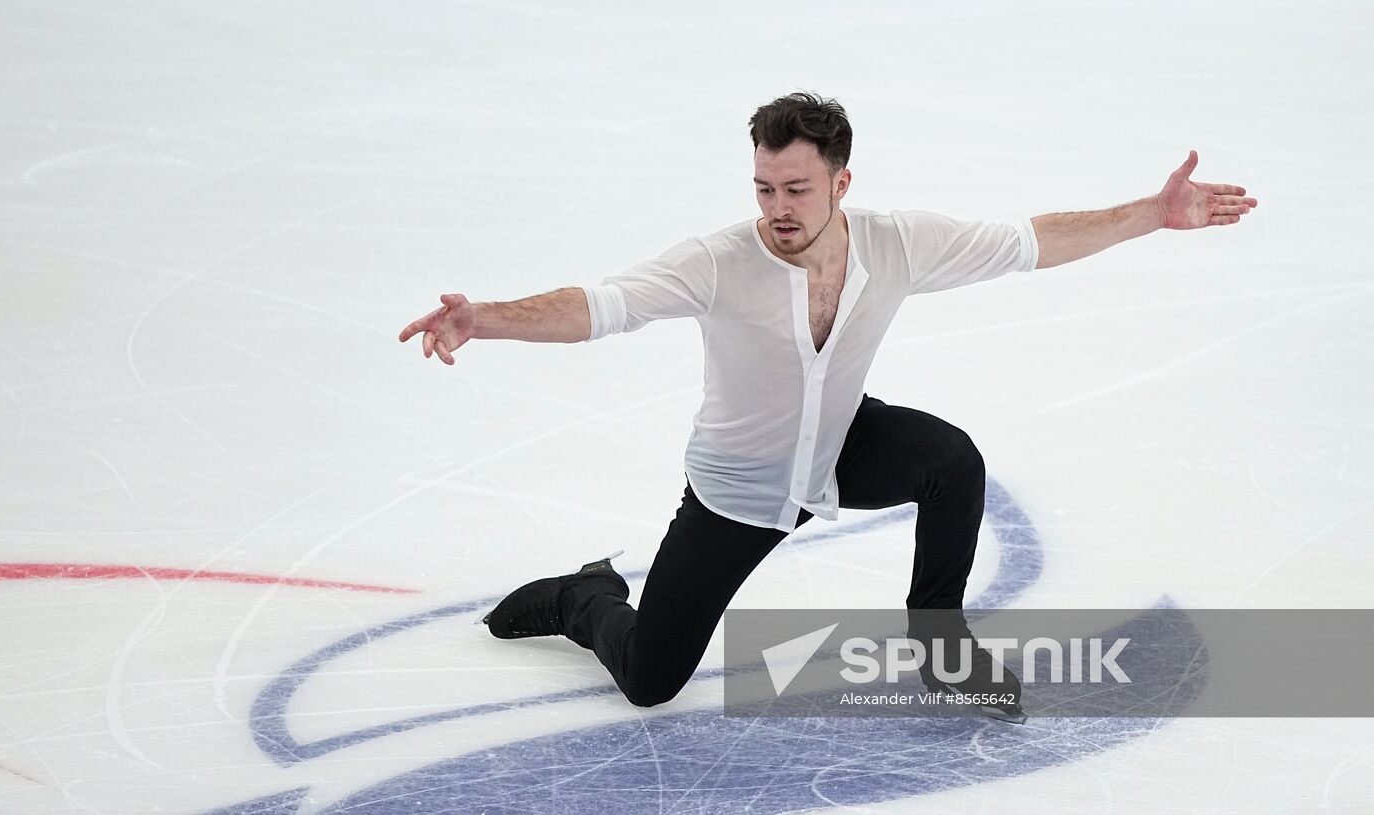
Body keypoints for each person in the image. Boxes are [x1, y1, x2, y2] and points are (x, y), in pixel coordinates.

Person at [397, 92, 1256, 720]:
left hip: (836, 450)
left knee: (950, 461)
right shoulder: (719, 261)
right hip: (735, 492)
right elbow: (602, 305)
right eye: (765, 188)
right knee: (651, 681)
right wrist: (490, 319)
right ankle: (583, 597)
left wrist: (1153, 212)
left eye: (796, 189)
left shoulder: (896, 243)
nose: (777, 210)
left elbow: (1029, 242)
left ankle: (942, 647)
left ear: (842, 181)